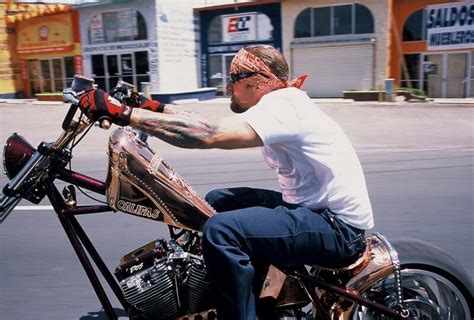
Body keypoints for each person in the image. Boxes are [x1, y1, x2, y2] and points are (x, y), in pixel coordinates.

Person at [78, 45, 373, 320]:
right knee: (219, 200)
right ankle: (243, 292)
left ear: (258, 82)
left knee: (223, 231)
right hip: (310, 209)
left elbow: (210, 133)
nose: (228, 85)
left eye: (235, 78)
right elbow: (207, 120)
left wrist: (126, 115)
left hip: (336, 227)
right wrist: (151, 107)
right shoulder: (277, 103)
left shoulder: (285, 106)